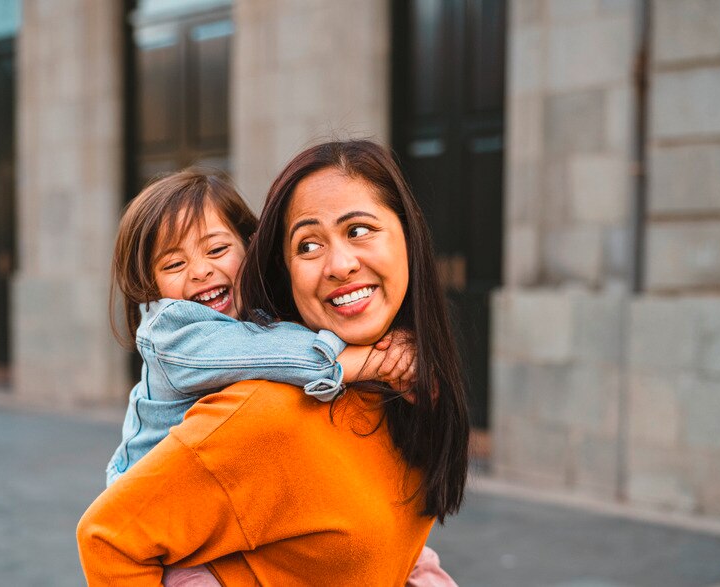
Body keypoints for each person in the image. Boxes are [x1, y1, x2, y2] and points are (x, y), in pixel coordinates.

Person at [78, 141, 470, 585]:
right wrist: (364, 362)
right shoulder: (192, 346)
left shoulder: (391, 386)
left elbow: (385, 541)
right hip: (163, 519)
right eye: (308, 244)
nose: (201, 272)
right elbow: (108, 536)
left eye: (359, 230)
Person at [104, 169, 416, 487]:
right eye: (173, 264)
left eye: (216, 250)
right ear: (150, 284)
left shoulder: (257, 313)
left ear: (249, 244)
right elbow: (272, 353)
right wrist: (379, 359)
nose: (200, 271)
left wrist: (392, 337)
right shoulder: (170, 332)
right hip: (151, 504)